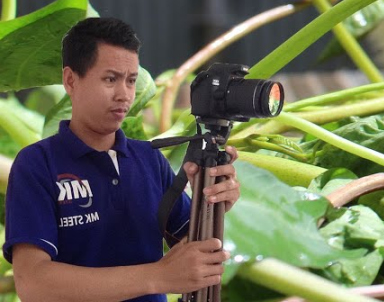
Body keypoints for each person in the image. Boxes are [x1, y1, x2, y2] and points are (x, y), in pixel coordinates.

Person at [3, 17, 242, 302]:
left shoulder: (150, 159)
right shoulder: (37, 164)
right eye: (110, 79)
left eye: (131, 80)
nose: (124, 95)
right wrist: (158, 276)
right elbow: (33, 284)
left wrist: (213, 204)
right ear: (70, 80)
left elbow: (189, 249)